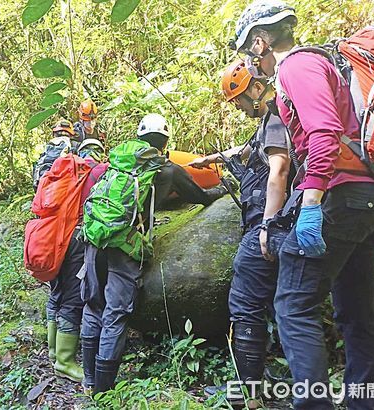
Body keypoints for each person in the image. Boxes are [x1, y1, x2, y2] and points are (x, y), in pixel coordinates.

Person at [232, 1, 374, 409]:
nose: (251, 64)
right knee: (358, 312)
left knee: (293, 304)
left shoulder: (296, 67)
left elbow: (323, 134)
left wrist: (312, 202)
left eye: (249, 53)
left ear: (261, 41)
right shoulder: (319, 65)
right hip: (368, 198)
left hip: (338, 197)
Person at [80, 113, 227, 395]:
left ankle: (88, 381)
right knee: (116, 314)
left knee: (93, 307)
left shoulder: (116, 163)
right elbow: (201, 196)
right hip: (126, 245)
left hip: (95, 239)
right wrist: (224, 189)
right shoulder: (167, 169)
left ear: (139, 136)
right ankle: (102, 392)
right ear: (165, 140)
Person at [189, 60, 291, 403]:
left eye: (240, 99)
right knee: (281, 305)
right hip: (279, 226)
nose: (237, 106)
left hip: (268, 226)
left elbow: (278, 170)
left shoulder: (276, 119)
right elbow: (246, 152)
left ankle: (248, 394)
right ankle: (281, 381)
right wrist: (211, 159)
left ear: (257, 88)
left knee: (245, 302)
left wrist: (267, 225)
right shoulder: (269, 122)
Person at [45, 138, 109, 382]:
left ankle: (53, 351)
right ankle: (64, 361)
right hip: (77, 238)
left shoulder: (63, 174)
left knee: (57, 292)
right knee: (74, 297)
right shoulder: (99, 171)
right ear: (99, 153)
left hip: (55, 236)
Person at [32, 119, 81, 192]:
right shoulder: (73, 145)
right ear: (71, 134)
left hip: (43, 182)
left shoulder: (48, 146)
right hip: (63, 185)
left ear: (55, 133)